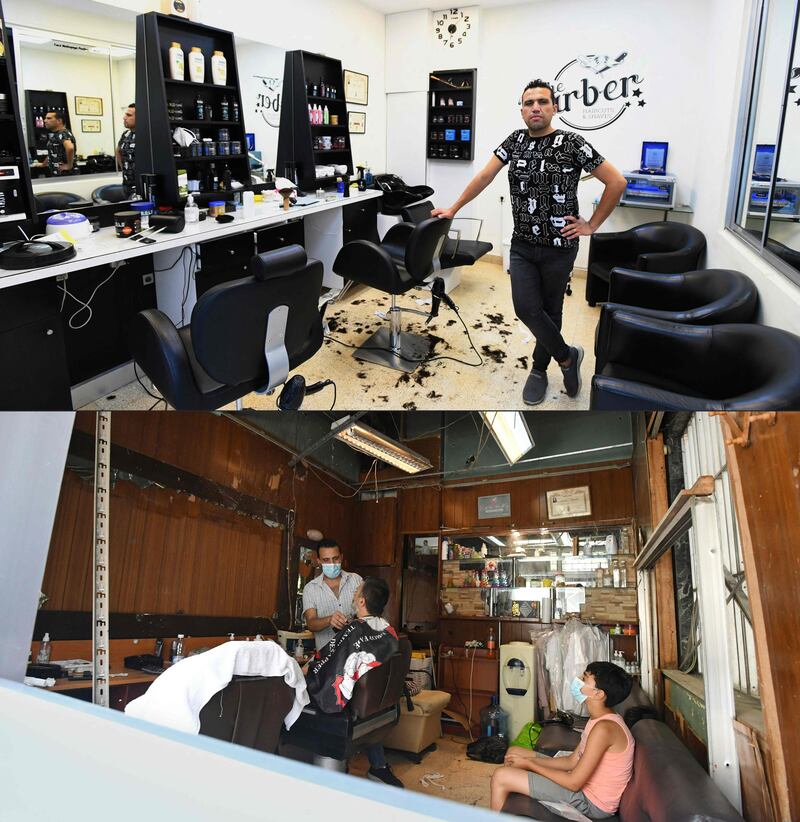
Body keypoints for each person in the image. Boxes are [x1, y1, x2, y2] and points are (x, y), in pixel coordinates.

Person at [432, 79, 627, 406]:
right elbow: (484, 176)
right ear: (521, 110)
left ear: (554, 107)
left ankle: (538, 369)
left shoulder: (572, 143)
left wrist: (592, 225)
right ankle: (567, 358)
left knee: (551, 310)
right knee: (526, 308)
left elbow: (616, 182)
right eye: (528, 103)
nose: (535, 107)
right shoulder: (515, 141)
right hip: (522, 244)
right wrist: (454, 207)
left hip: (560, 247)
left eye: (542, 102)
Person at [302, 544, 403, 788]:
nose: (331, 563)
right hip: (337, 653)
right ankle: (370, 765)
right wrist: (329, 621)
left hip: (346, 657)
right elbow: (311, 622)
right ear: (318, 560)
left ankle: (373, 766)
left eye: (335, 558)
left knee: (341, 689)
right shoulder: (310, 588)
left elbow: (361, 624)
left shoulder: (356, 580)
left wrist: (309, 669)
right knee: (363, 690)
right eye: (326, 559)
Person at [489, 662, 634, 818]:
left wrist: (529, 764)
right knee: (514, 751)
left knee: (501, 776)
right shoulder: (599, 719)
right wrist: (527, 762)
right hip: (580, 785)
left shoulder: (604, 729)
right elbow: (572, 761)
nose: (578, 680)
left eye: (584, 679)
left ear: (598, 694)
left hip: (590, 802)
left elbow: (574, 783)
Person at [33, 111, 77, 176]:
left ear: (59, 121)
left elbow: (70, 148)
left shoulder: (63, 133)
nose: (45, 120)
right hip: (58, 174)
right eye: (45, 118)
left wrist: (69, 165)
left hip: (66, 174)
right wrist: (43, 164)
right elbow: (52, 152)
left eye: (49, 118)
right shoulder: (57, 135)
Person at [116, 103, 137, 195]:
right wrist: (125, 167)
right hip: (126, 184)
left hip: (140, 185)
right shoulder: (126, 134)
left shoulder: (146, 135)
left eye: (129, 115)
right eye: (125, 114)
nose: (124, 117)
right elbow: (118, 150)